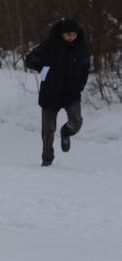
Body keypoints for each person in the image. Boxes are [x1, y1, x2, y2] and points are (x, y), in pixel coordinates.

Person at [25, 17, 91, 167]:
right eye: (68, 34)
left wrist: (81, 84)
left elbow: (85, 66)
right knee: (48, 130)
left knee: (77, 121)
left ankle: (66, 133)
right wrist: (39, 66)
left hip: (72, 92)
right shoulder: (49, 45)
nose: (71, 37)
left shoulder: (81, 46)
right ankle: (47, 159)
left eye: (74, 34)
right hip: (50, 91)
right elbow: (31, 58)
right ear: (61, 34)